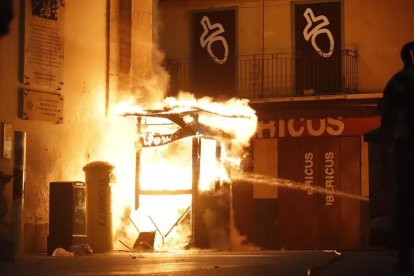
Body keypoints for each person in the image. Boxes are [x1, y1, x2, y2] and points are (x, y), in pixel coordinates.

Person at [381, 41, 414, 273]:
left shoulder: (396, 82)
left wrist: (386, 152)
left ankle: (403, 258)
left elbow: (387, 121)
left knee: (405, 202)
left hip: (405, 146)